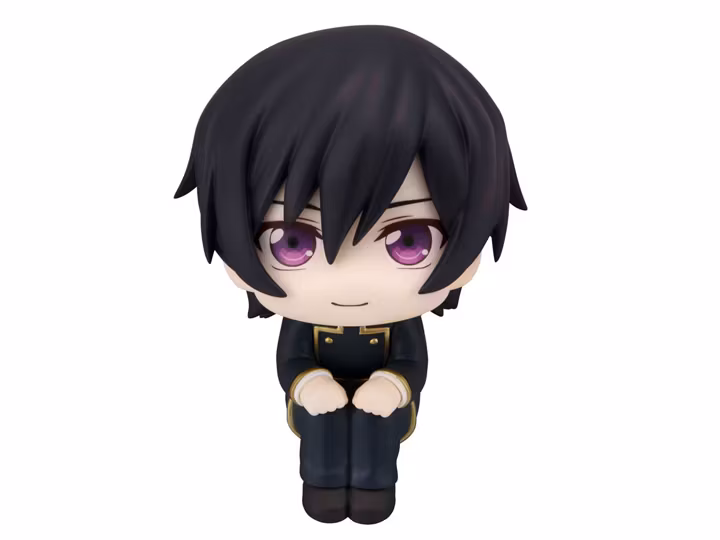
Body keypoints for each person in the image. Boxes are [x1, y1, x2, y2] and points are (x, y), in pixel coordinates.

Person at [174, 25, 526, 524]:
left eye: (410, 240)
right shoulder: (304, 322)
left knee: (375, 433)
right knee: (323, 430)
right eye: (293, 243)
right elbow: (291, 357)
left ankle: (373, 491)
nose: (350, 280)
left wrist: (395, 385)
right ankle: (320, 486)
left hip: (385, 406)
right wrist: (307, 382)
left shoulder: (400, 323)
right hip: (317, 406)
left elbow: (413, 361)